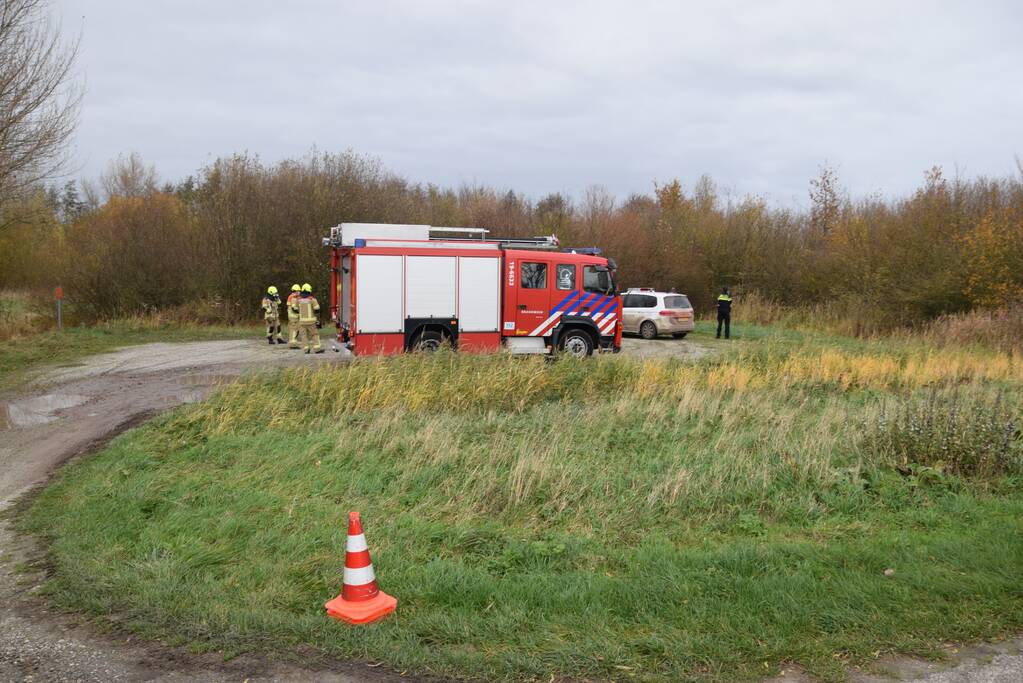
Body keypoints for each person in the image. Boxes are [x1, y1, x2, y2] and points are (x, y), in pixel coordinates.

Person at [292, 282, 324, 354]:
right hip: (311, 322)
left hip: (302, 322)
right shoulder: (312, 299)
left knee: (304, 336)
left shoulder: (298, 299)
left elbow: (294, 308)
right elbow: (317, 309)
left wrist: (300, 313)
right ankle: (317, 349)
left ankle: (306, 350)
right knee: (315, 334)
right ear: (309, 290)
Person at [286, 283, 302, 349]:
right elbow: (294, 308)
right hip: (294, 317)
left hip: (292, 316)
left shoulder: (291, 296)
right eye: (299, 291)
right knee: (294, 330)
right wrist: (300, 313)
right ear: (296, 291)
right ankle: (293, 344)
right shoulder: (294, 297)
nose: (300, 292)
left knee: (294, 330)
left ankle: (293, 343)